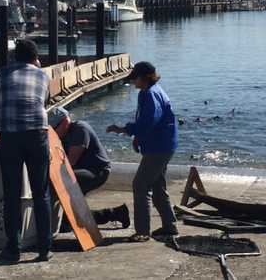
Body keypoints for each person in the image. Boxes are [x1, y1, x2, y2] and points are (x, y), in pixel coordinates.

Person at [106, 61, 178, 242]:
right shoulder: (150, 91)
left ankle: (143, 232)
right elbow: (148, 123)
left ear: (144, 78)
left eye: (135, 78)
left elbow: (148, 122)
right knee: (157, 185)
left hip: (159, 147)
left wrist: (123, 129)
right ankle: (170, 226)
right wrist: (137, 137)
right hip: (163, 145)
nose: (133, 82)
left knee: (140, 185)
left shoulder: (151, 95)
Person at [0, 39, 52, 263]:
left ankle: (13, 248)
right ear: (35, 58)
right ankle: (44, 248)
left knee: (11, 193)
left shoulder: (2, 74)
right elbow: (43, 100)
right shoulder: (43, 75)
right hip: (37, 133)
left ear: (14, 57)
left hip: (10, 135)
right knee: (41, 192)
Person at [47, 106, 129, 228]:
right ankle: (116, 213)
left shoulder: (80, 129)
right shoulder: (62, 135)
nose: (53, 133)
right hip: (80, 170)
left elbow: (71, 161)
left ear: (64, 122)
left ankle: (111, 214)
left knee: (59, 181)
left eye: (55, 129)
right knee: (68, 220)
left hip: (96, 171)